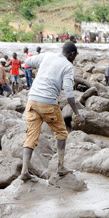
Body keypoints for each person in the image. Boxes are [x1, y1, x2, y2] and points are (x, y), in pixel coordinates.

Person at [20, 41, 85, 181]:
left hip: (32, 100)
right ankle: (60, 167)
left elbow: (28, 61)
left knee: (31, 136)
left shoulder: (48, 56)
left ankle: (24, 171)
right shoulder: (68, 66)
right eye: (75, 56)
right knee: (61, 132)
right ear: (72, 54)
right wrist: (77, 113)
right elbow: (69, 93)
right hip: (48, 102)